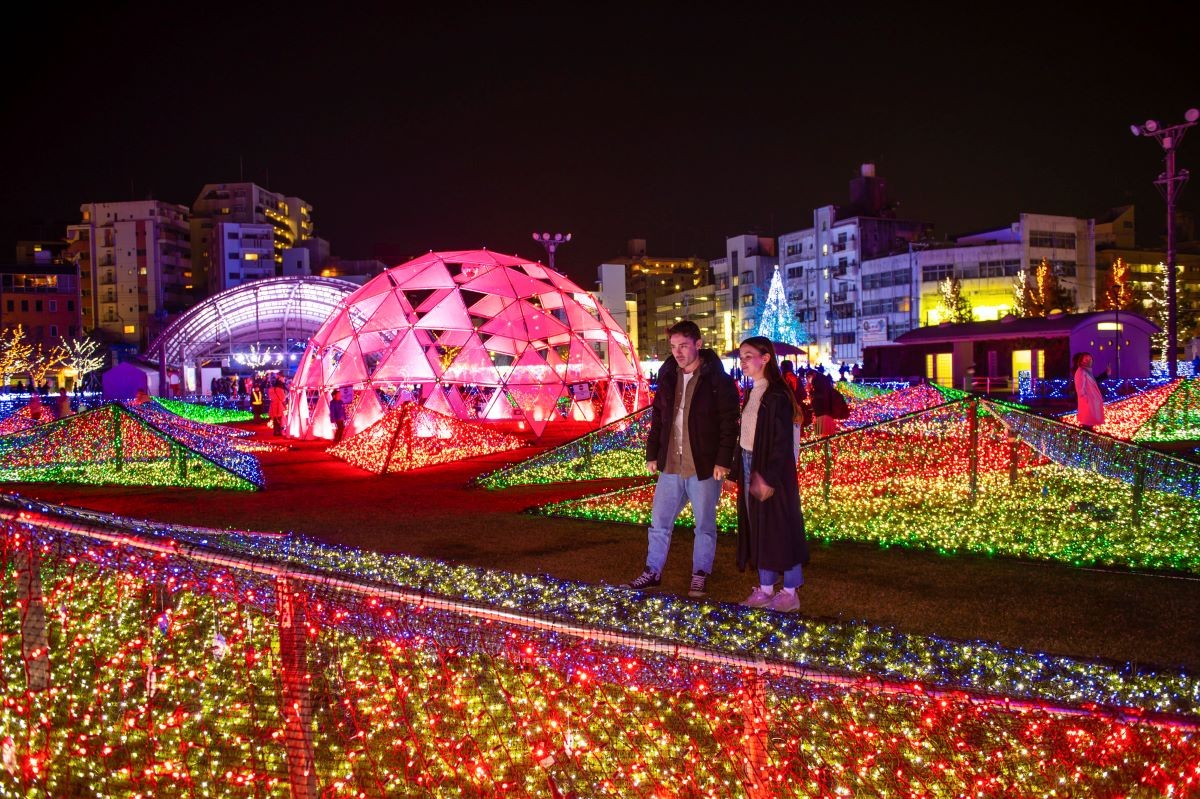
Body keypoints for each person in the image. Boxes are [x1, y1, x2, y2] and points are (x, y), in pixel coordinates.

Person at [623, 320, 739, 598]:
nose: (678, 352)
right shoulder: (669, 378)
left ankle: (700, 573)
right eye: (674, 347)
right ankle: (652, 570)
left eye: (684, 346)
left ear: (698, 344)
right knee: (659, 521)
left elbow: (729, 423)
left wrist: (723, 461)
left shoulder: (717, 381)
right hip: (671, 464)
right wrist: (653, 453)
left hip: (703, 465)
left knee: (705, 525)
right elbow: (659, 420)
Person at [734, 337, 809, 612]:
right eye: (741, 356)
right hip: (748, 461)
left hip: (770, 467)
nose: (743, 361)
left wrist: (770, 476)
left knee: (781, 527)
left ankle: (790, 591)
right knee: (759, 526)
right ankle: (765, 588)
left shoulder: (777, 394)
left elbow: (781, 441)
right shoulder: (754, 391)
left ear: (765, 358)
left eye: (748, 356)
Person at [1072, 352, 1104, 432]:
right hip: (1088, 404)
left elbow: (1094, 383)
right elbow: (1080, 389)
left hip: (1092, 403)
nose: (1089, 361)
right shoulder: (1081, 371)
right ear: (1081, 361)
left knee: (1090, 426)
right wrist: (1087, 400)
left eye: (1090, 359)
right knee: (1087, 427)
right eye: (1086, 359)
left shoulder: (1087, 371)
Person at [808, 368, 838, 437]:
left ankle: (824, 444)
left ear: (813, 375)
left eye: (809, 377)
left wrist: (812, 393)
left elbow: (823, 394)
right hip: (824, 412)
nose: (808, 380)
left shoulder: (819, 382)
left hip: (822, 412)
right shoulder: (822, 380)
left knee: (823, 435)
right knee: (825, 435)